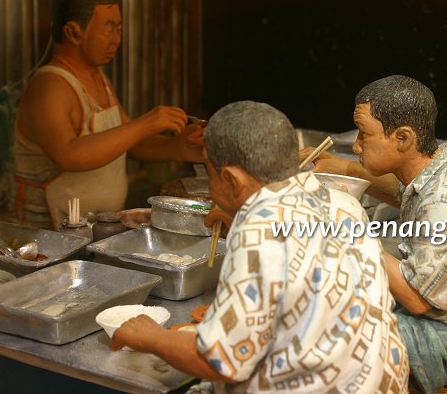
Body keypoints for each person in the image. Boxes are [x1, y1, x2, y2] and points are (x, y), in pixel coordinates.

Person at [112, 101, 409, 393]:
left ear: (230, 178)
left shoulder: (258, 233)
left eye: (210, 173)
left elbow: (221, 360)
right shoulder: (344, 204)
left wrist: (150, 337)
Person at [307, 76, 447, 394]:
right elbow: (402, 192)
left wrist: (353, 231)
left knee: (338, 331)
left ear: (402, 138)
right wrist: (344, 168)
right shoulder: (439, 166)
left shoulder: (444, 199)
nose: (358, 146)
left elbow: (417, 300)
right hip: (445, 320)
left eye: (364, 135)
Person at [13, 0, 204, 229]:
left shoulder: (98, 77)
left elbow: (131, 144)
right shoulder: (50, 86)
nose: (115, 39)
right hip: (49, 235)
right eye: (108, 29)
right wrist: (147, 123)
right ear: (73, 32)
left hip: (99, 226)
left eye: (119, 29)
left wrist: (177, 147)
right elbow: (69, 155)